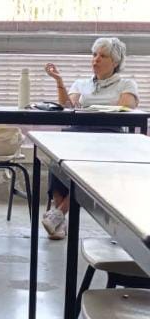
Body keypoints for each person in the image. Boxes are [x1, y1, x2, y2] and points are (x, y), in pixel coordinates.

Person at [42, 36, 139, 240]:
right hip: (79, 132)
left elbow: (126, 106)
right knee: (55, 152)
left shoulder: (126, 84)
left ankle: (59, 214)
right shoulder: (81, 83)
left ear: (115, 62)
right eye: (94, 55)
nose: (96, 59)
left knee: (87, 165)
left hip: (109, 135)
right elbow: (68, 106)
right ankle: (59, 218)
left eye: (103, 56)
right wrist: (59, 81)